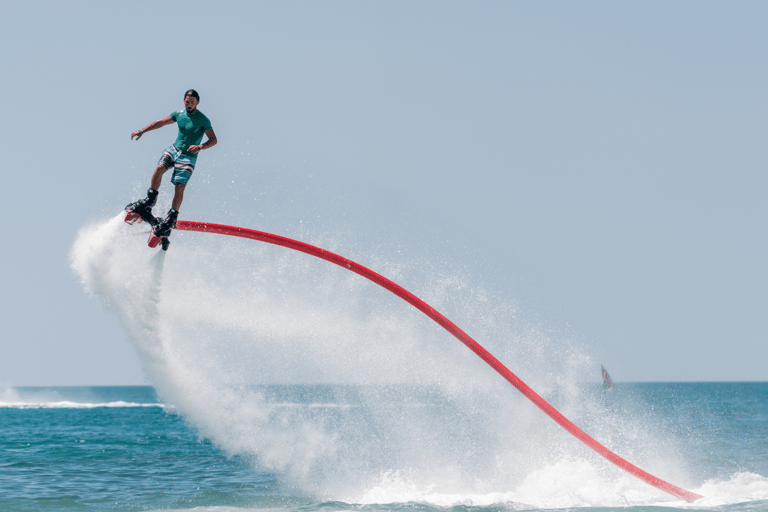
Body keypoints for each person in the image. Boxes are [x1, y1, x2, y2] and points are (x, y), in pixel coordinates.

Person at [126, 89, 217, 237]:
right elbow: (161, 123)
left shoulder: (203, 120)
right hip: (174, 150)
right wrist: (142, 131)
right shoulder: (179, 114)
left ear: (198, 103)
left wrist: (200, 147)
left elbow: (214, 140)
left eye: (193, 102)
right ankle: (150, 199)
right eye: (188, 101)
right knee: (159, 168)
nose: (190, 104)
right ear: (184, 101)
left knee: (179, 186)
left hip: (188, 157)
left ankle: (172, 215)